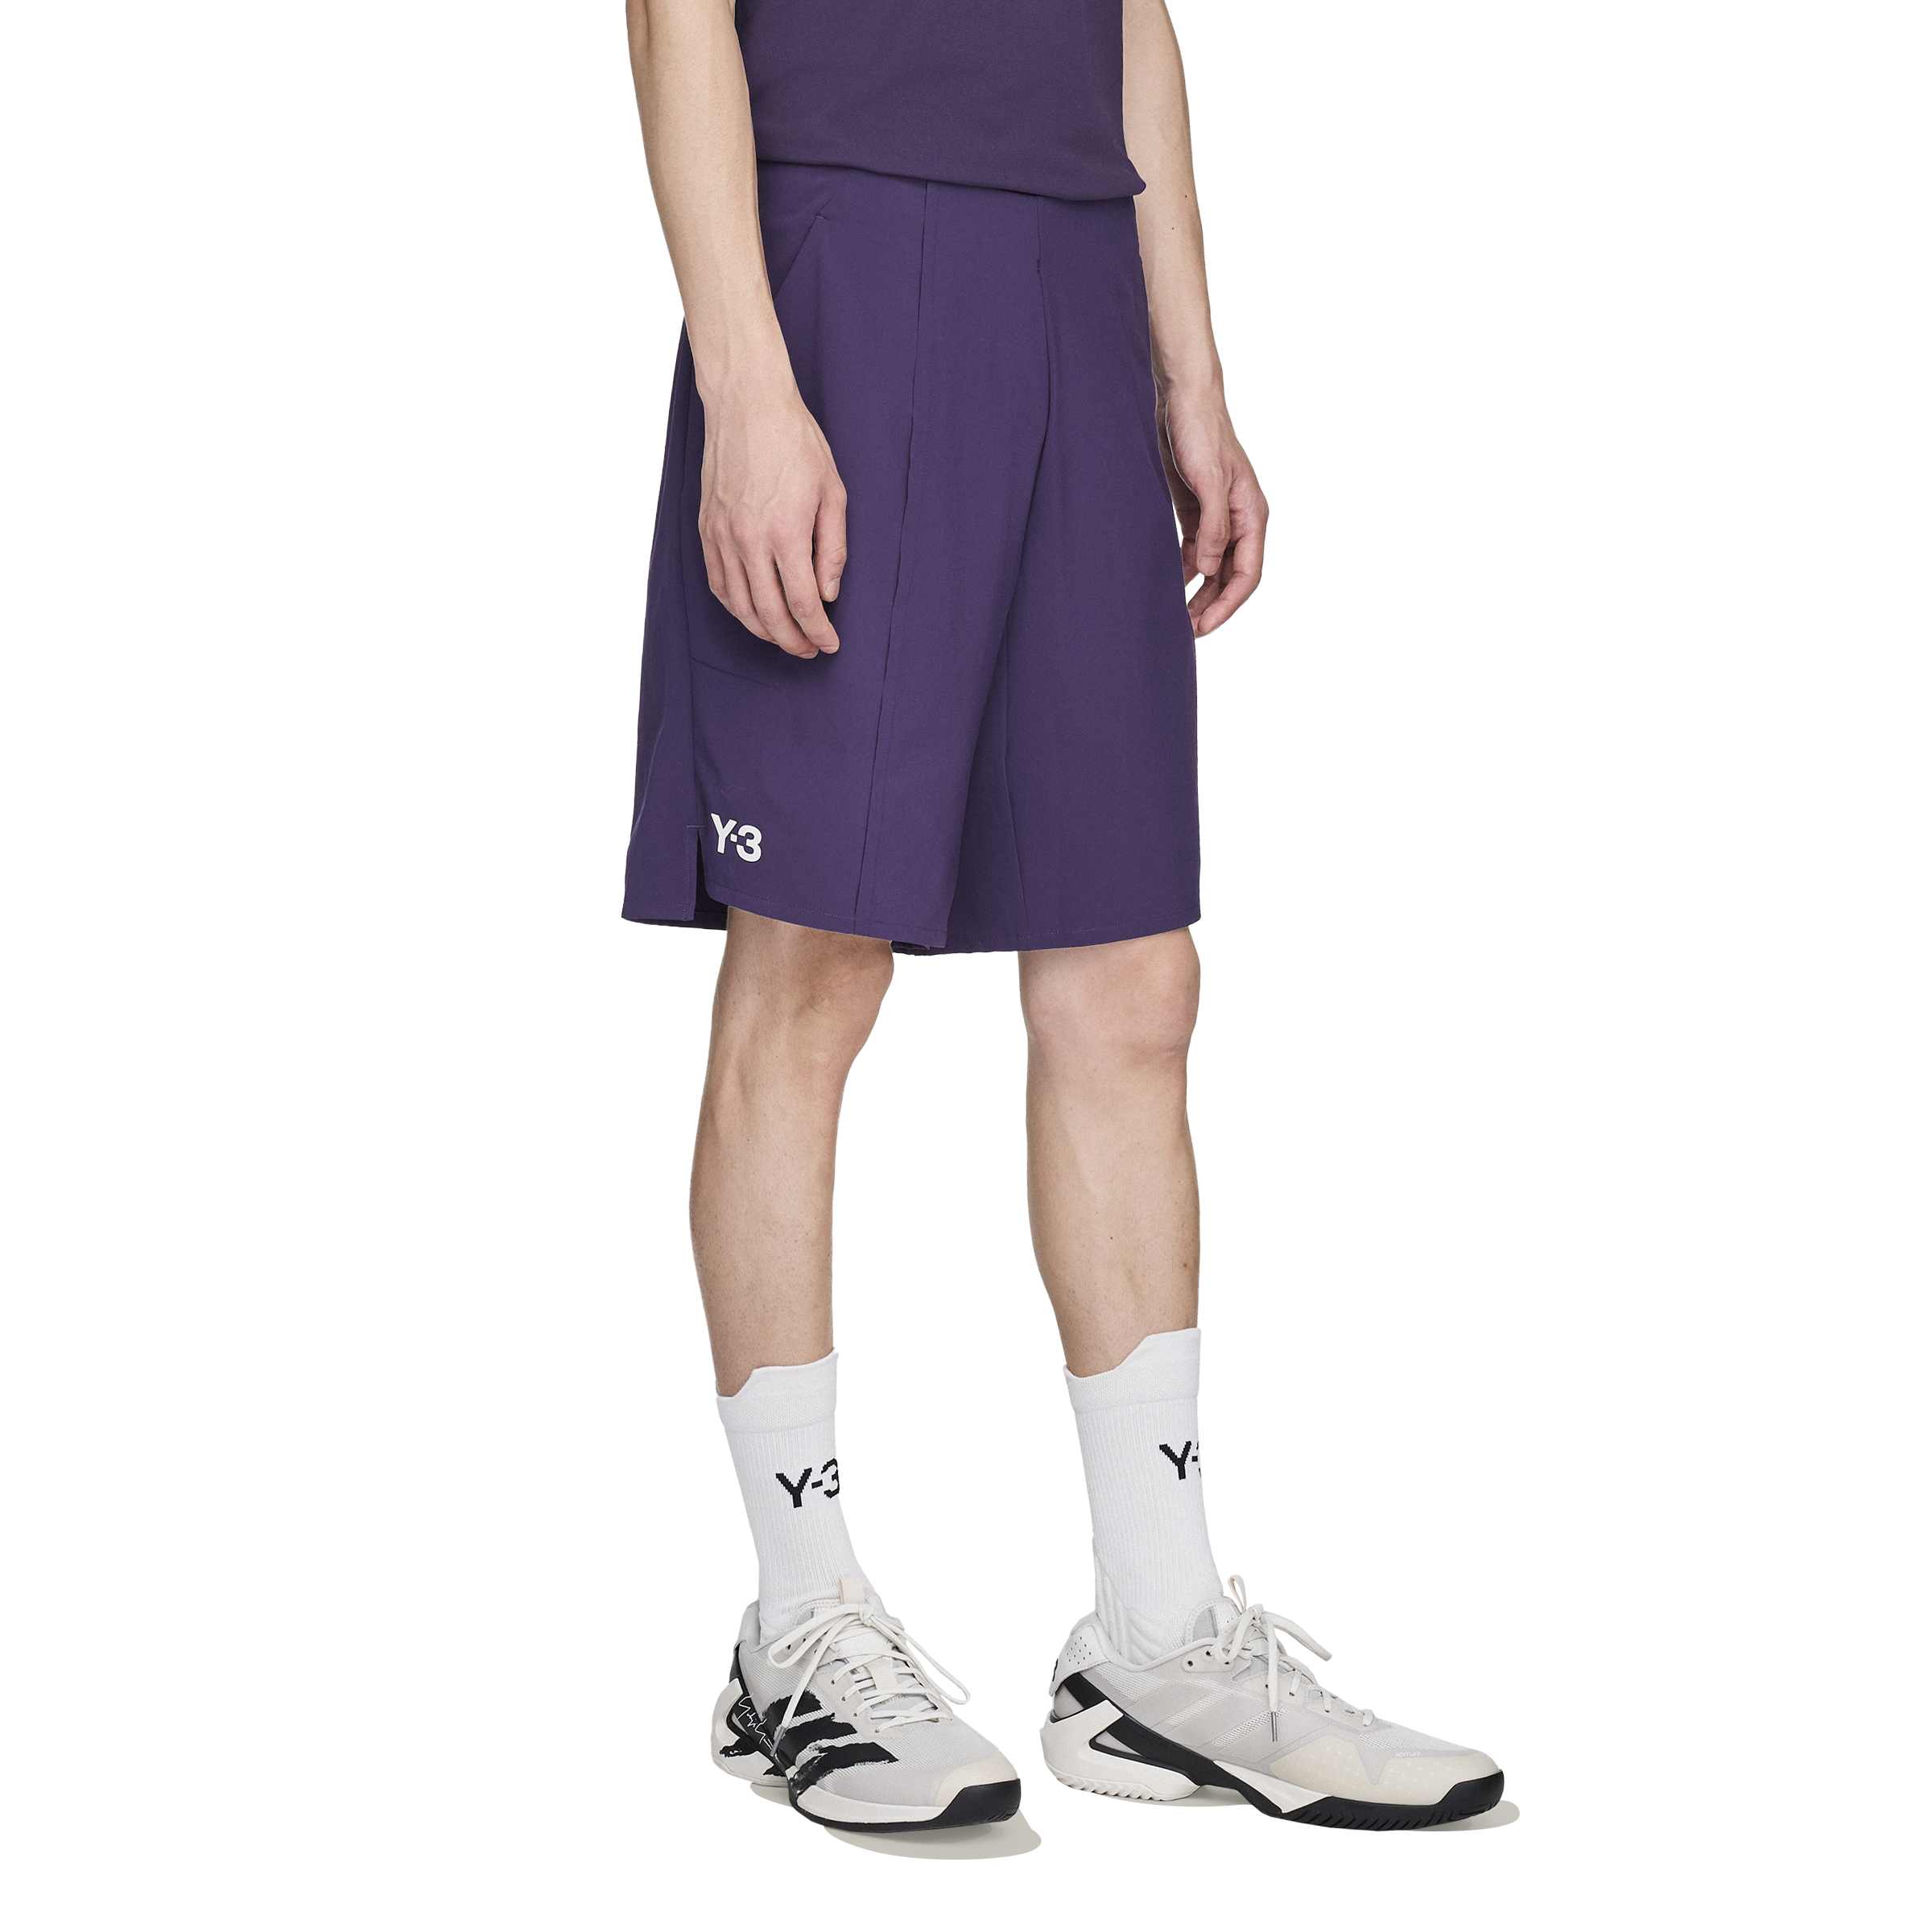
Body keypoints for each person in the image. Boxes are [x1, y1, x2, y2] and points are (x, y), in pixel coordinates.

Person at [621, 0, 1502, 1834]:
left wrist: (1191, 372)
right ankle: (799, 1625)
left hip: (1077, 274)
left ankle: (1159, 1643)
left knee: (1130, 977)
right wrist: (747, 380)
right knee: (812, 966)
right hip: (842, 263)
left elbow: (1133, 16)